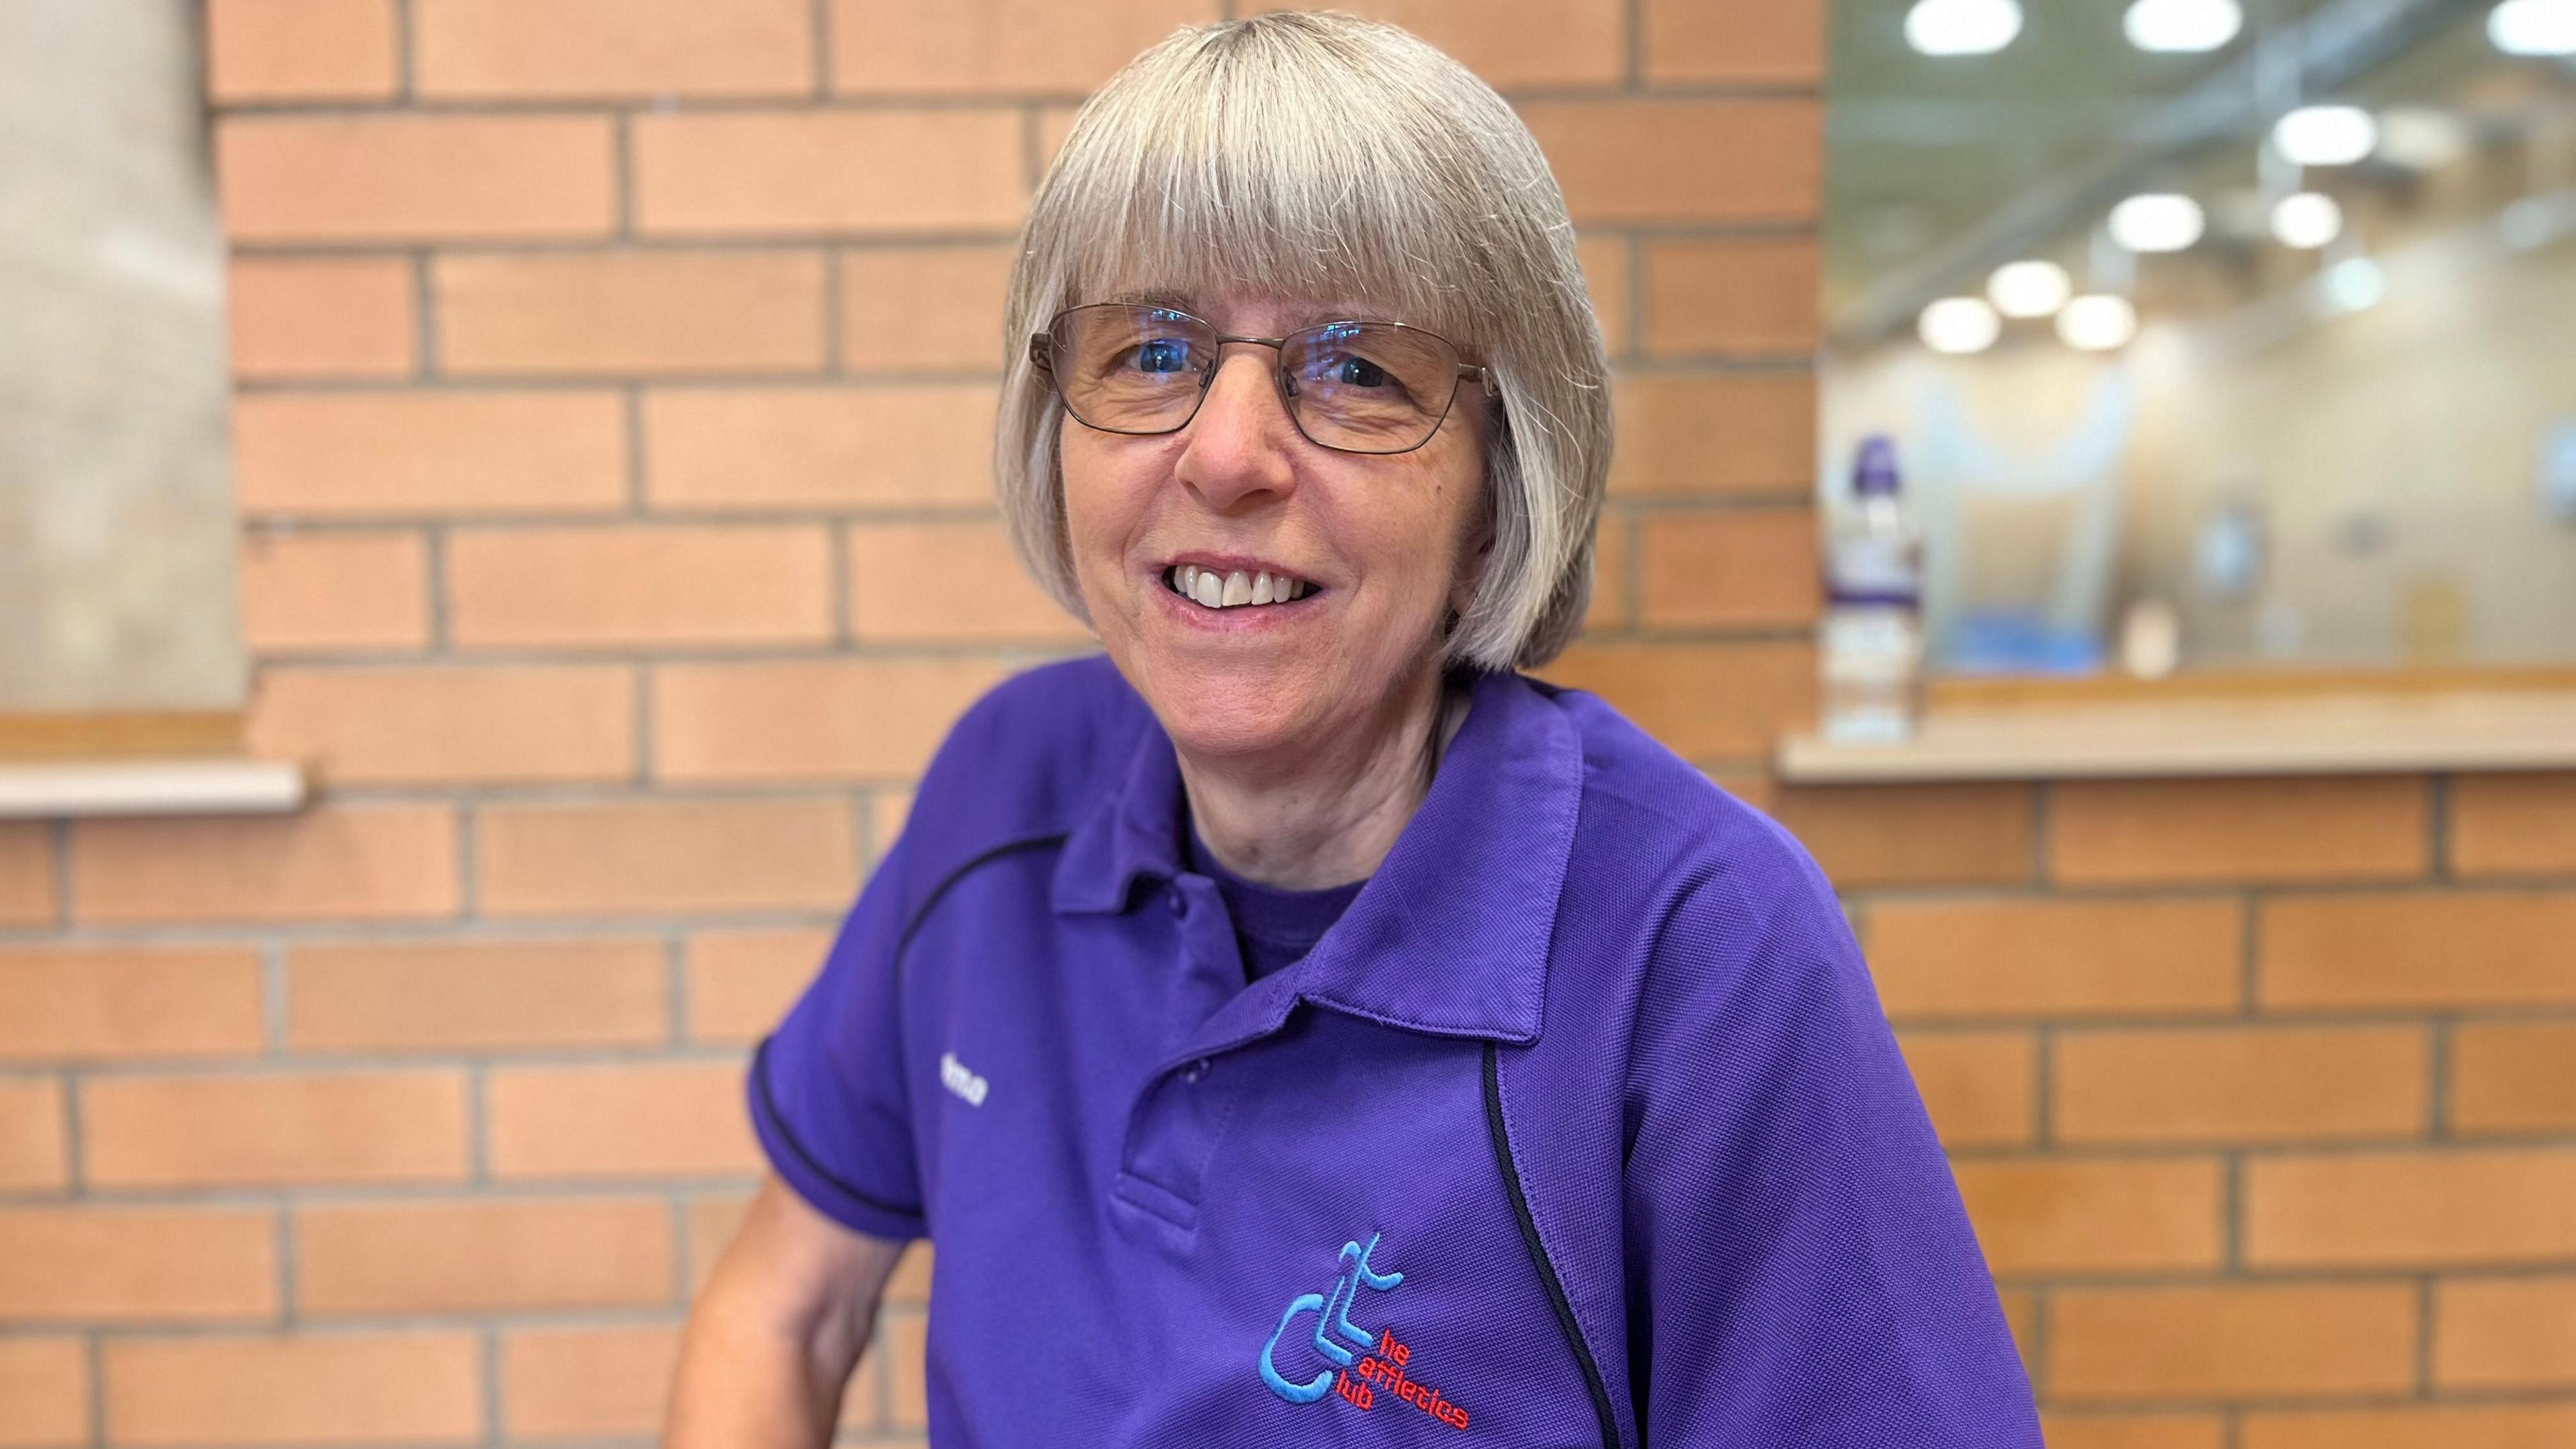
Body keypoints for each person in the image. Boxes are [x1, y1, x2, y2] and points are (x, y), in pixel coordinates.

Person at [663, 13, 2041, 1448]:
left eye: (1356, 369)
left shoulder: (1700, 947)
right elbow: (786, 1308)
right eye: (1152, 350)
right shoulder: (1003, 795)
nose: (1227, 453)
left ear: (1502, 486)